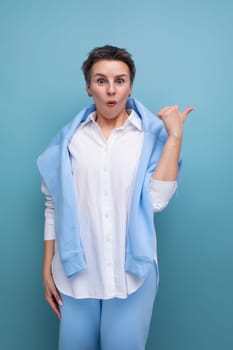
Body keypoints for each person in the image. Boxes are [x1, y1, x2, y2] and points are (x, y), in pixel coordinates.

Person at [37, 45, 193, 350]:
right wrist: (46, 267)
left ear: (130, 86)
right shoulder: (71, 141)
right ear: (88, 87)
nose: (111, 90)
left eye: (120, 81)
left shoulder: (149, 138)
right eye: (101, 80)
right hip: (75, 275)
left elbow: (157, 201)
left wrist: (174, 136)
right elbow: (53, 205)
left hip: (131, 275)